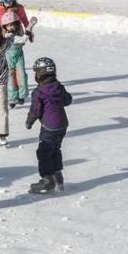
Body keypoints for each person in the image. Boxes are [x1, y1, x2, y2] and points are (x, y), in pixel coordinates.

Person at [26, 57, 73, 194]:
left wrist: (29, 121)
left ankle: (48, 180)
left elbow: (36, 110)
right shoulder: (59, 86)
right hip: (62, 126)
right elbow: (68, 100)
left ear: (40, 74)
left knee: (44, 152)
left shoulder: (39, 92)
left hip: (49, 127)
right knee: (55, 149)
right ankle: (58, 177)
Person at [1, 9, 31, 107]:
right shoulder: (7, 36)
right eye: (7, 25)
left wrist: (29, 28)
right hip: (8, 58)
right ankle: (12, 99)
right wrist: (30, 27)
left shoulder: (18, 33)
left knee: (21, 75)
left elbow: (23, 39)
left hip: (19, 56)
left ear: (16, 24)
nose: (10, 27)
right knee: (11, 78)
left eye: (11, 24)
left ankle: (21, 95)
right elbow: (23, 39)